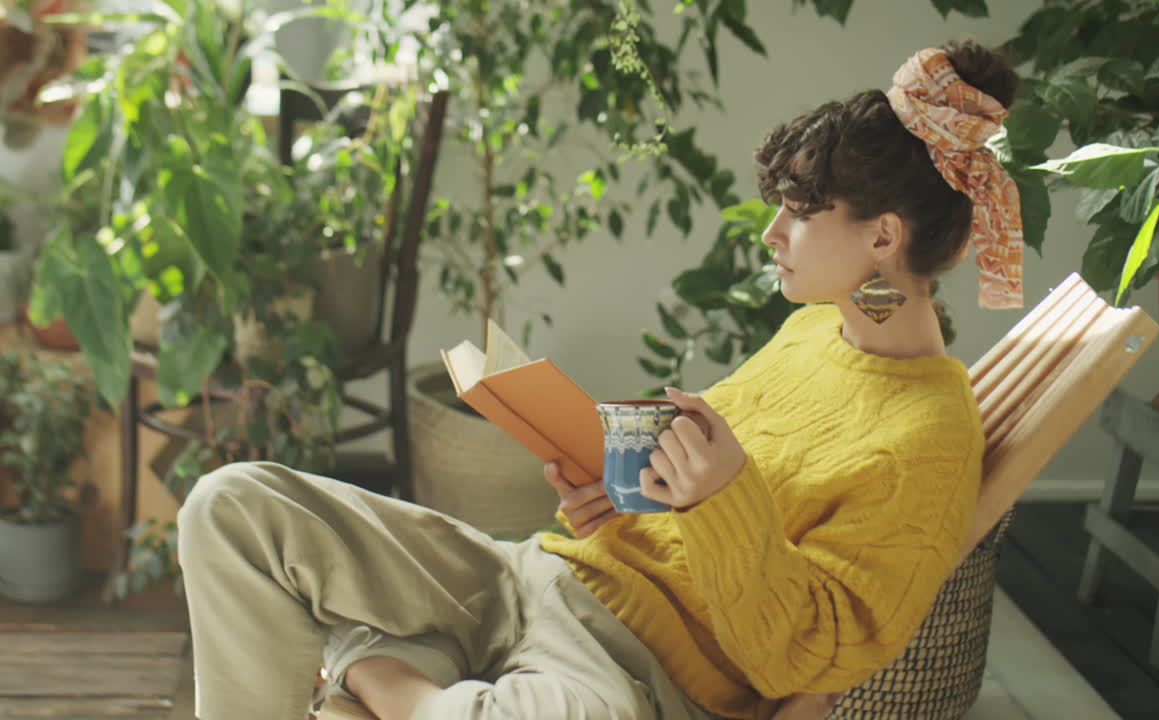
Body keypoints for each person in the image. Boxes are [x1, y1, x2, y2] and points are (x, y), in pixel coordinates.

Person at [177, 38, 1023, 720]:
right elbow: (681, 511)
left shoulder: (931, 438)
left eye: (800, 215)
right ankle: (412, 680)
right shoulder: (813, 331)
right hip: (528, 576)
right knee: (232, 505)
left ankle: (375, 669)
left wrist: (720, 499)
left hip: (626, 673)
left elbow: (809, 653)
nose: (772, 233)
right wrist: (616, 497)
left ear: (882, 238)